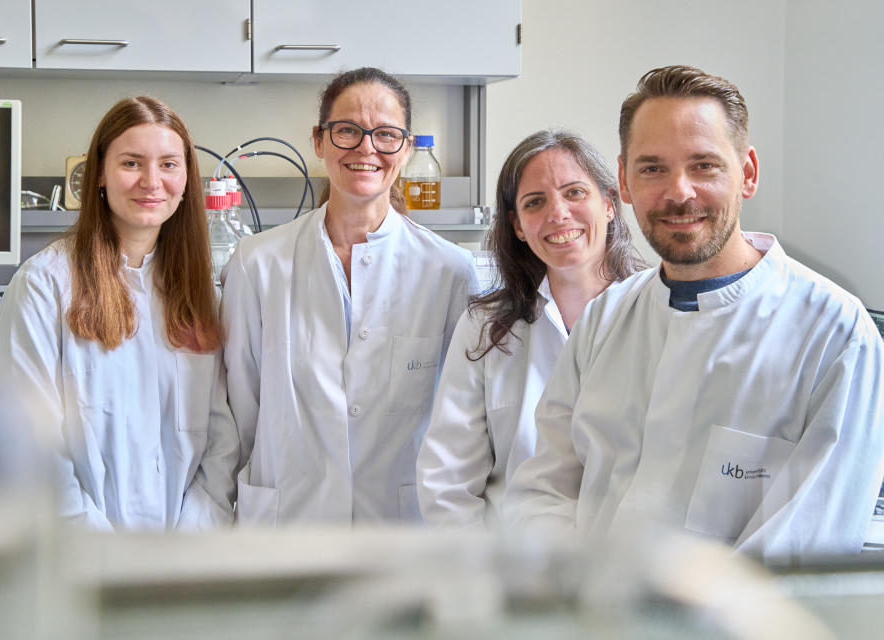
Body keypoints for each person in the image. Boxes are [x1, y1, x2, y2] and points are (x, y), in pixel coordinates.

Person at [505, 65, 884, 558]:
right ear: (623, 180)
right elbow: (545, 491)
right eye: (652, 168)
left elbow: (805, 546)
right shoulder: (606, 320)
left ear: (746, 173)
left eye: (704, 165)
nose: (679, 192)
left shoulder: (836, 334)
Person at [222, 67, 478, 525]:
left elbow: (461, 424)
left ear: (404, 148)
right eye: (347, 131)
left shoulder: (449, 271)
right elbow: (240, 414)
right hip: (286, 524)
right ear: (319, 142)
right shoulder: (257, 263)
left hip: (401, 529)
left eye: (386, 134)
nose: (366, 148)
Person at [0, 96, 239, 530]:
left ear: (186, 180)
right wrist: (104, 554)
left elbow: (222, 440)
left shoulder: (199, 297)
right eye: (131, 163)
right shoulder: (44, 286)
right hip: (78, 558)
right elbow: (27, 444)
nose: (151, 181)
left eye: (168, 164)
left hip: (185, 560)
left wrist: (192, 540)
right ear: (100, 175)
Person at [416, 129, 645, 527]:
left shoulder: (656, 312)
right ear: (518, 225)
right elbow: (449, 482)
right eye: (535, 202)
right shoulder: (486, 328)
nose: (557, 213)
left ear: (609, 203)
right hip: (512, 571)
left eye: (574, 192)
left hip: (626, 567)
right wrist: (488, 579)